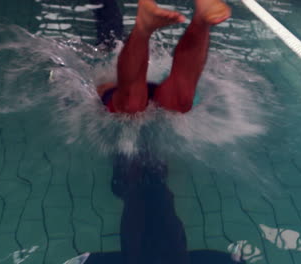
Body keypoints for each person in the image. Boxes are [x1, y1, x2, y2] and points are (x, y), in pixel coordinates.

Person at [69, 1, 242, 264]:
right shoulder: (133, 179)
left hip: (124, 93)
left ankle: (193, 24)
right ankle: (183, 25)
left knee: (156, 104)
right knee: (160, 104)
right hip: (126, 95)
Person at [97, 0, 231, 114]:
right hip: (140, 94)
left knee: (131, 106)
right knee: (180, 101)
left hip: (121, 93)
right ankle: (201, 22)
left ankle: (143, 29)